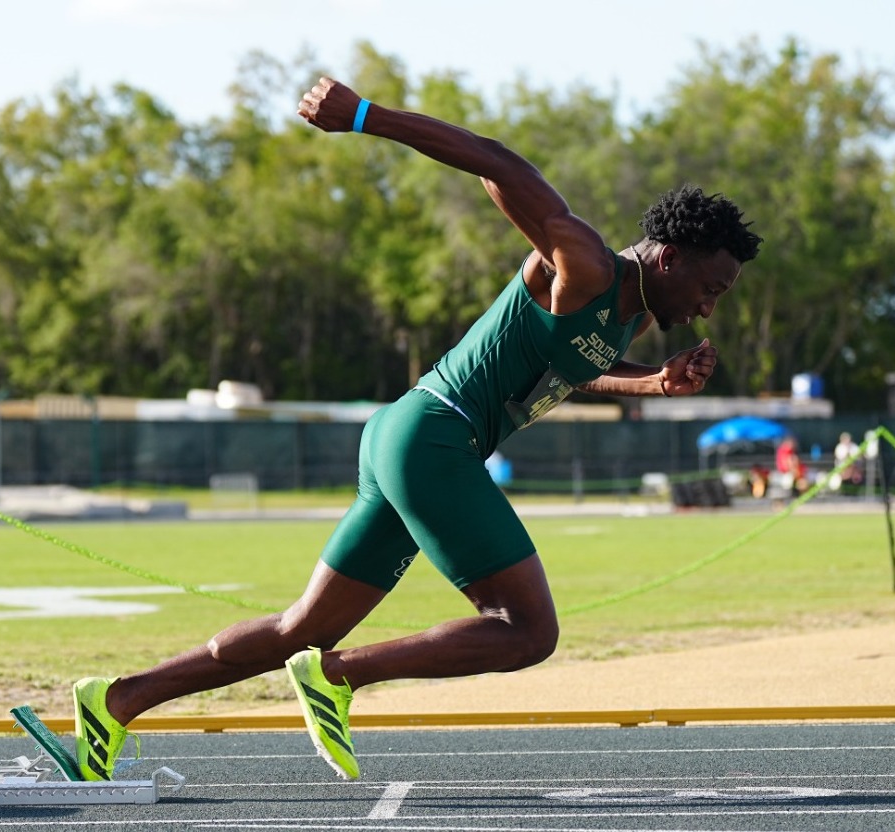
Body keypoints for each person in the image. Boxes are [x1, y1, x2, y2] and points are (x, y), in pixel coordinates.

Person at [69, 76, 762, 782]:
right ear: (669, 258)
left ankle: (118, 699)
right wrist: (365, 117)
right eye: (711, 289)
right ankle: (337, 677)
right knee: (525, 631)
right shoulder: (583, 265)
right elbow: (499, 165)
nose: (708, 309)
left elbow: (565, 369)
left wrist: (652, 381)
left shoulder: (631, 315)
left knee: (299, 630)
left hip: (409, 438)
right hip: (435, 436)